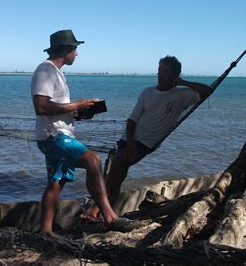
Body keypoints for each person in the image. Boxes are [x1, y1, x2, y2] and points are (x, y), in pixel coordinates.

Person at [31, 29, 140, 236]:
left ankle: (45, 231)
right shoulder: (45, 71)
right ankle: (110, 217)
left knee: (56, 182)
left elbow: (55, 109)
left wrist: (80, 113)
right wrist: (76, 105)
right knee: (93, 161)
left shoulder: (56, 72)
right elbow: (41, 107)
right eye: (75, 49)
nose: (77, 54)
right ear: (64, 49)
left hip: (54, 134)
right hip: (54, 136)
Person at [81, 55, 212, 221]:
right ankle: (106, 217)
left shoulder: (182, 95)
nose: (160, 75)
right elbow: (131, 121)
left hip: (147, 143)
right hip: (128, 139)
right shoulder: (148, 92)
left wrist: (182, 82)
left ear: (175, 75)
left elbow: (208, 91)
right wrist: (129, 144)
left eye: (164, 72)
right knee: (117, 177)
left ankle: (95, 210)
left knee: (116, 170)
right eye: (159, 71)